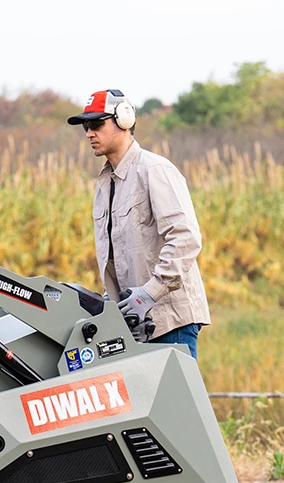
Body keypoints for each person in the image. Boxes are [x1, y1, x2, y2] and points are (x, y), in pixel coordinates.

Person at [67, 89, 210, 359]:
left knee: (175, 402)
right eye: (86, 126)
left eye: (96, 124)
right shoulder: (105, 183)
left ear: (124, 120)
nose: (89, 133)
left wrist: (149, 294)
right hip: (134, 326)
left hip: (169, 321)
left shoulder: (154, 170)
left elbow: (185, 238)